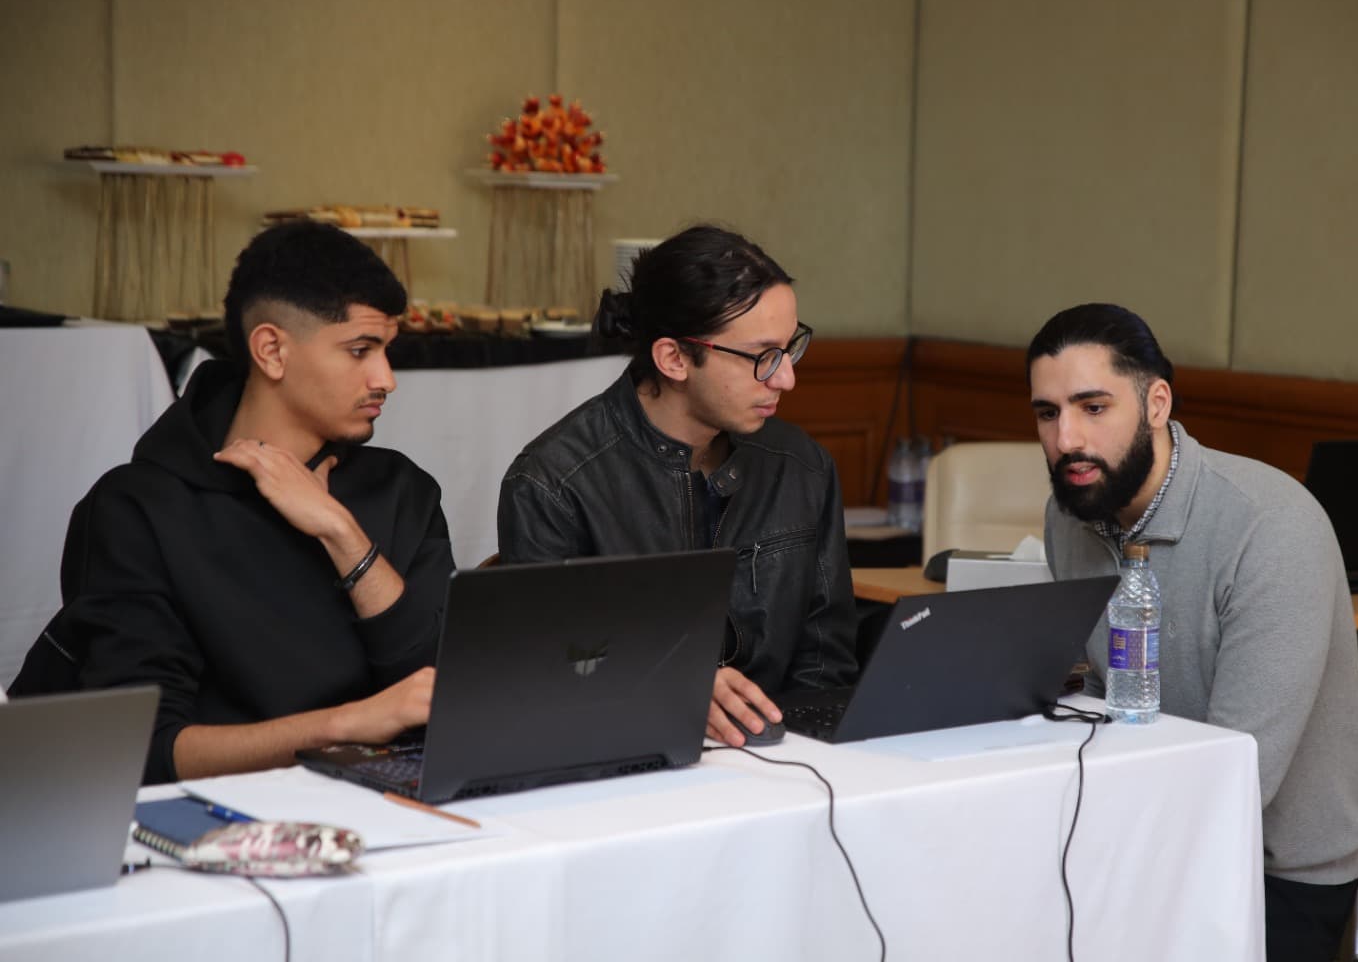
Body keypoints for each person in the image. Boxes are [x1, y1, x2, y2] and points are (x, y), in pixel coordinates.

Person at [1027, 303, 1358, 962]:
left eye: (1093, 407)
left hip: (1280, 856)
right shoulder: (1072, 514)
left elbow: (1243, 774)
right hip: (1150, 814)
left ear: (1156, 403)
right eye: (1047, 413)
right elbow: (1105, 690)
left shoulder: (1269, 526)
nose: (1067, 439)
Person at [10, 221, 453, 784]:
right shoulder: (136, 509)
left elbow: (449, 699)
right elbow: (144, 749)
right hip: (209, 818)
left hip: (392, 811)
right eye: (360, 350)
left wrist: (342, 533)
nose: (386, 378)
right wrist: (344, 725)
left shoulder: (403, 489)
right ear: (271, 350)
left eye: (387, 350)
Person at [497, 224, 857, 746]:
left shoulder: (801, 465)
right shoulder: (554, 483)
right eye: (762, 356)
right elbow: (548, 678)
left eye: (790, 347)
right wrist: (672, 687)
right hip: (626, 760)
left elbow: (826, 668)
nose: (786, 378)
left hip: (783, 753)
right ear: (673, 359)